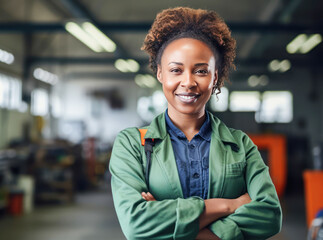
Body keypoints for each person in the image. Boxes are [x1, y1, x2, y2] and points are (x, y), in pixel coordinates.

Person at [109, 7, 282, 240]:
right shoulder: (131, 145)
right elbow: (137, 224)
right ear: (160, 73)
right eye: (175, 70)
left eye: (201, 71)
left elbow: (269, 215)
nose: (188, 82)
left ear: (216, 77)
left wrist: (167, 220)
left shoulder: (241, 145)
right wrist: (228, 206)